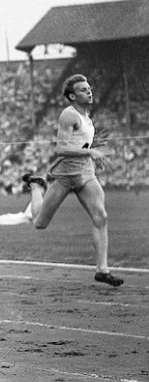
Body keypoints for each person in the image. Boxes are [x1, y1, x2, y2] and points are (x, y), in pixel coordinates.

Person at [24, 75, 123, 287]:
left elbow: (82, 144)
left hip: (86, 174)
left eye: (89, 88)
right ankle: (35, 187)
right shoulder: (68, 115)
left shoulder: (88, 119)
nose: (89, 92)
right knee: (39, 223)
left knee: (101, 216)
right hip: (66, 176)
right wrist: (91, 153)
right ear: (72, 96)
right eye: (83, 90)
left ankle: (102, 270)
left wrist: (93, 155)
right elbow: (61, 148)